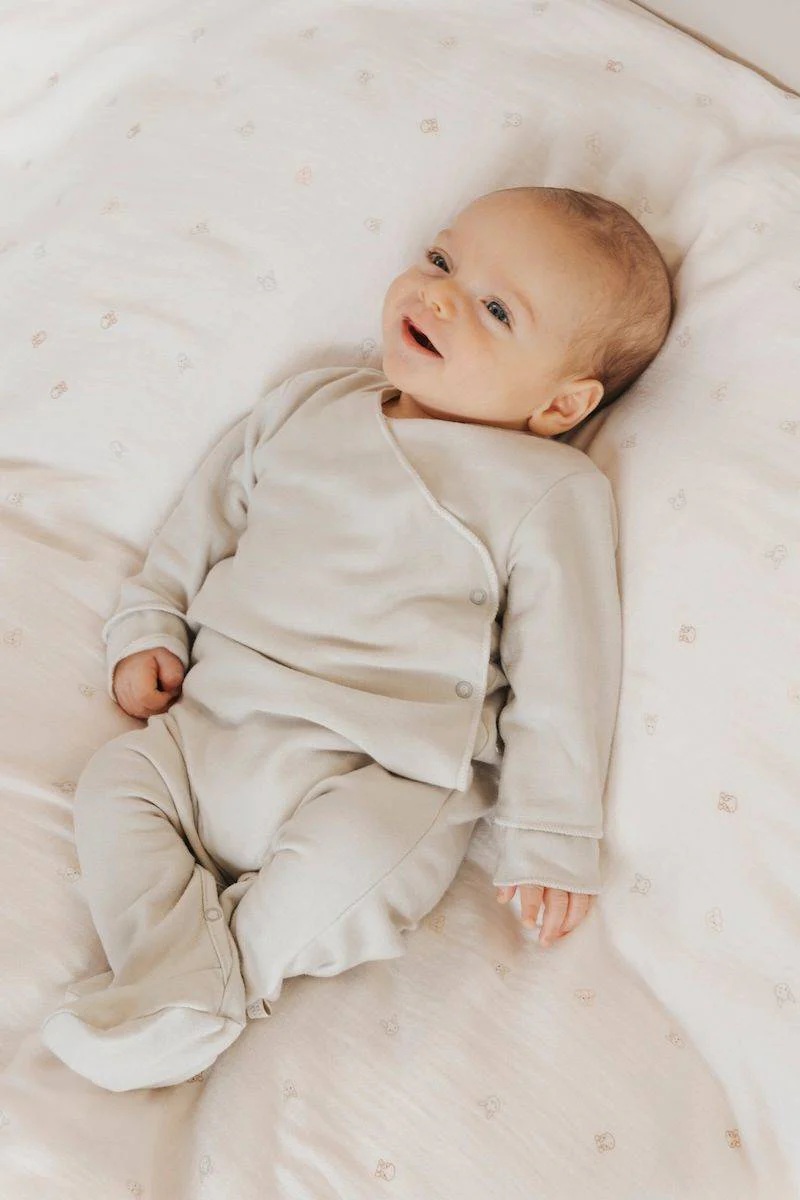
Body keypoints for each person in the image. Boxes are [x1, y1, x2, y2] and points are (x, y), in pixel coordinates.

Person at [41, 185, 673, 1092]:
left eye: (497, 310)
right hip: (207, 728)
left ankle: (213, 987)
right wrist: (150, 620)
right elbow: (202, 520)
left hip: (377, 769)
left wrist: (550, 831)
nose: (440, 295)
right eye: (442, 260)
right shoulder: (310, 403)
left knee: (356, 864)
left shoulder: (546, 488)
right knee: (113, 785)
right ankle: (180, 984)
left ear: (561, 403)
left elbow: (569, 671)